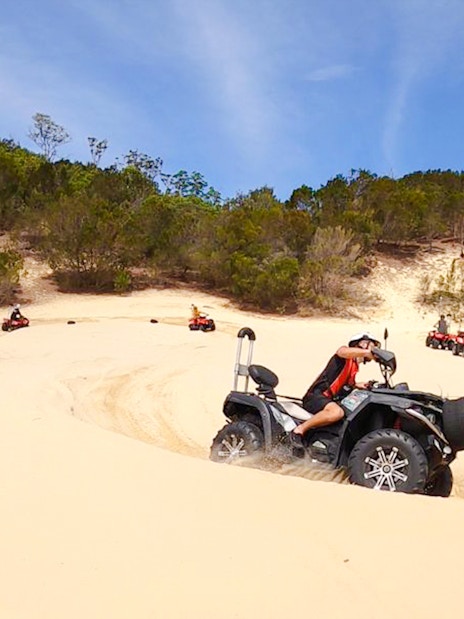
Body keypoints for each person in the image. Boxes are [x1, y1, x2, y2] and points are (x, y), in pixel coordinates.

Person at [293, 332, 380, 437]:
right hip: (316, 396)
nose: (374, 348)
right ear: (363, 343)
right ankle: (300, 429)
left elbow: (343, 383)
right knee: (336, 413)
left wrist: (357, 385)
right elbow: (341, 351)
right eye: (373, 345)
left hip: (328, 399)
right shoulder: (346, 356)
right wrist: (367, 352)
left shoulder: (355, 366)